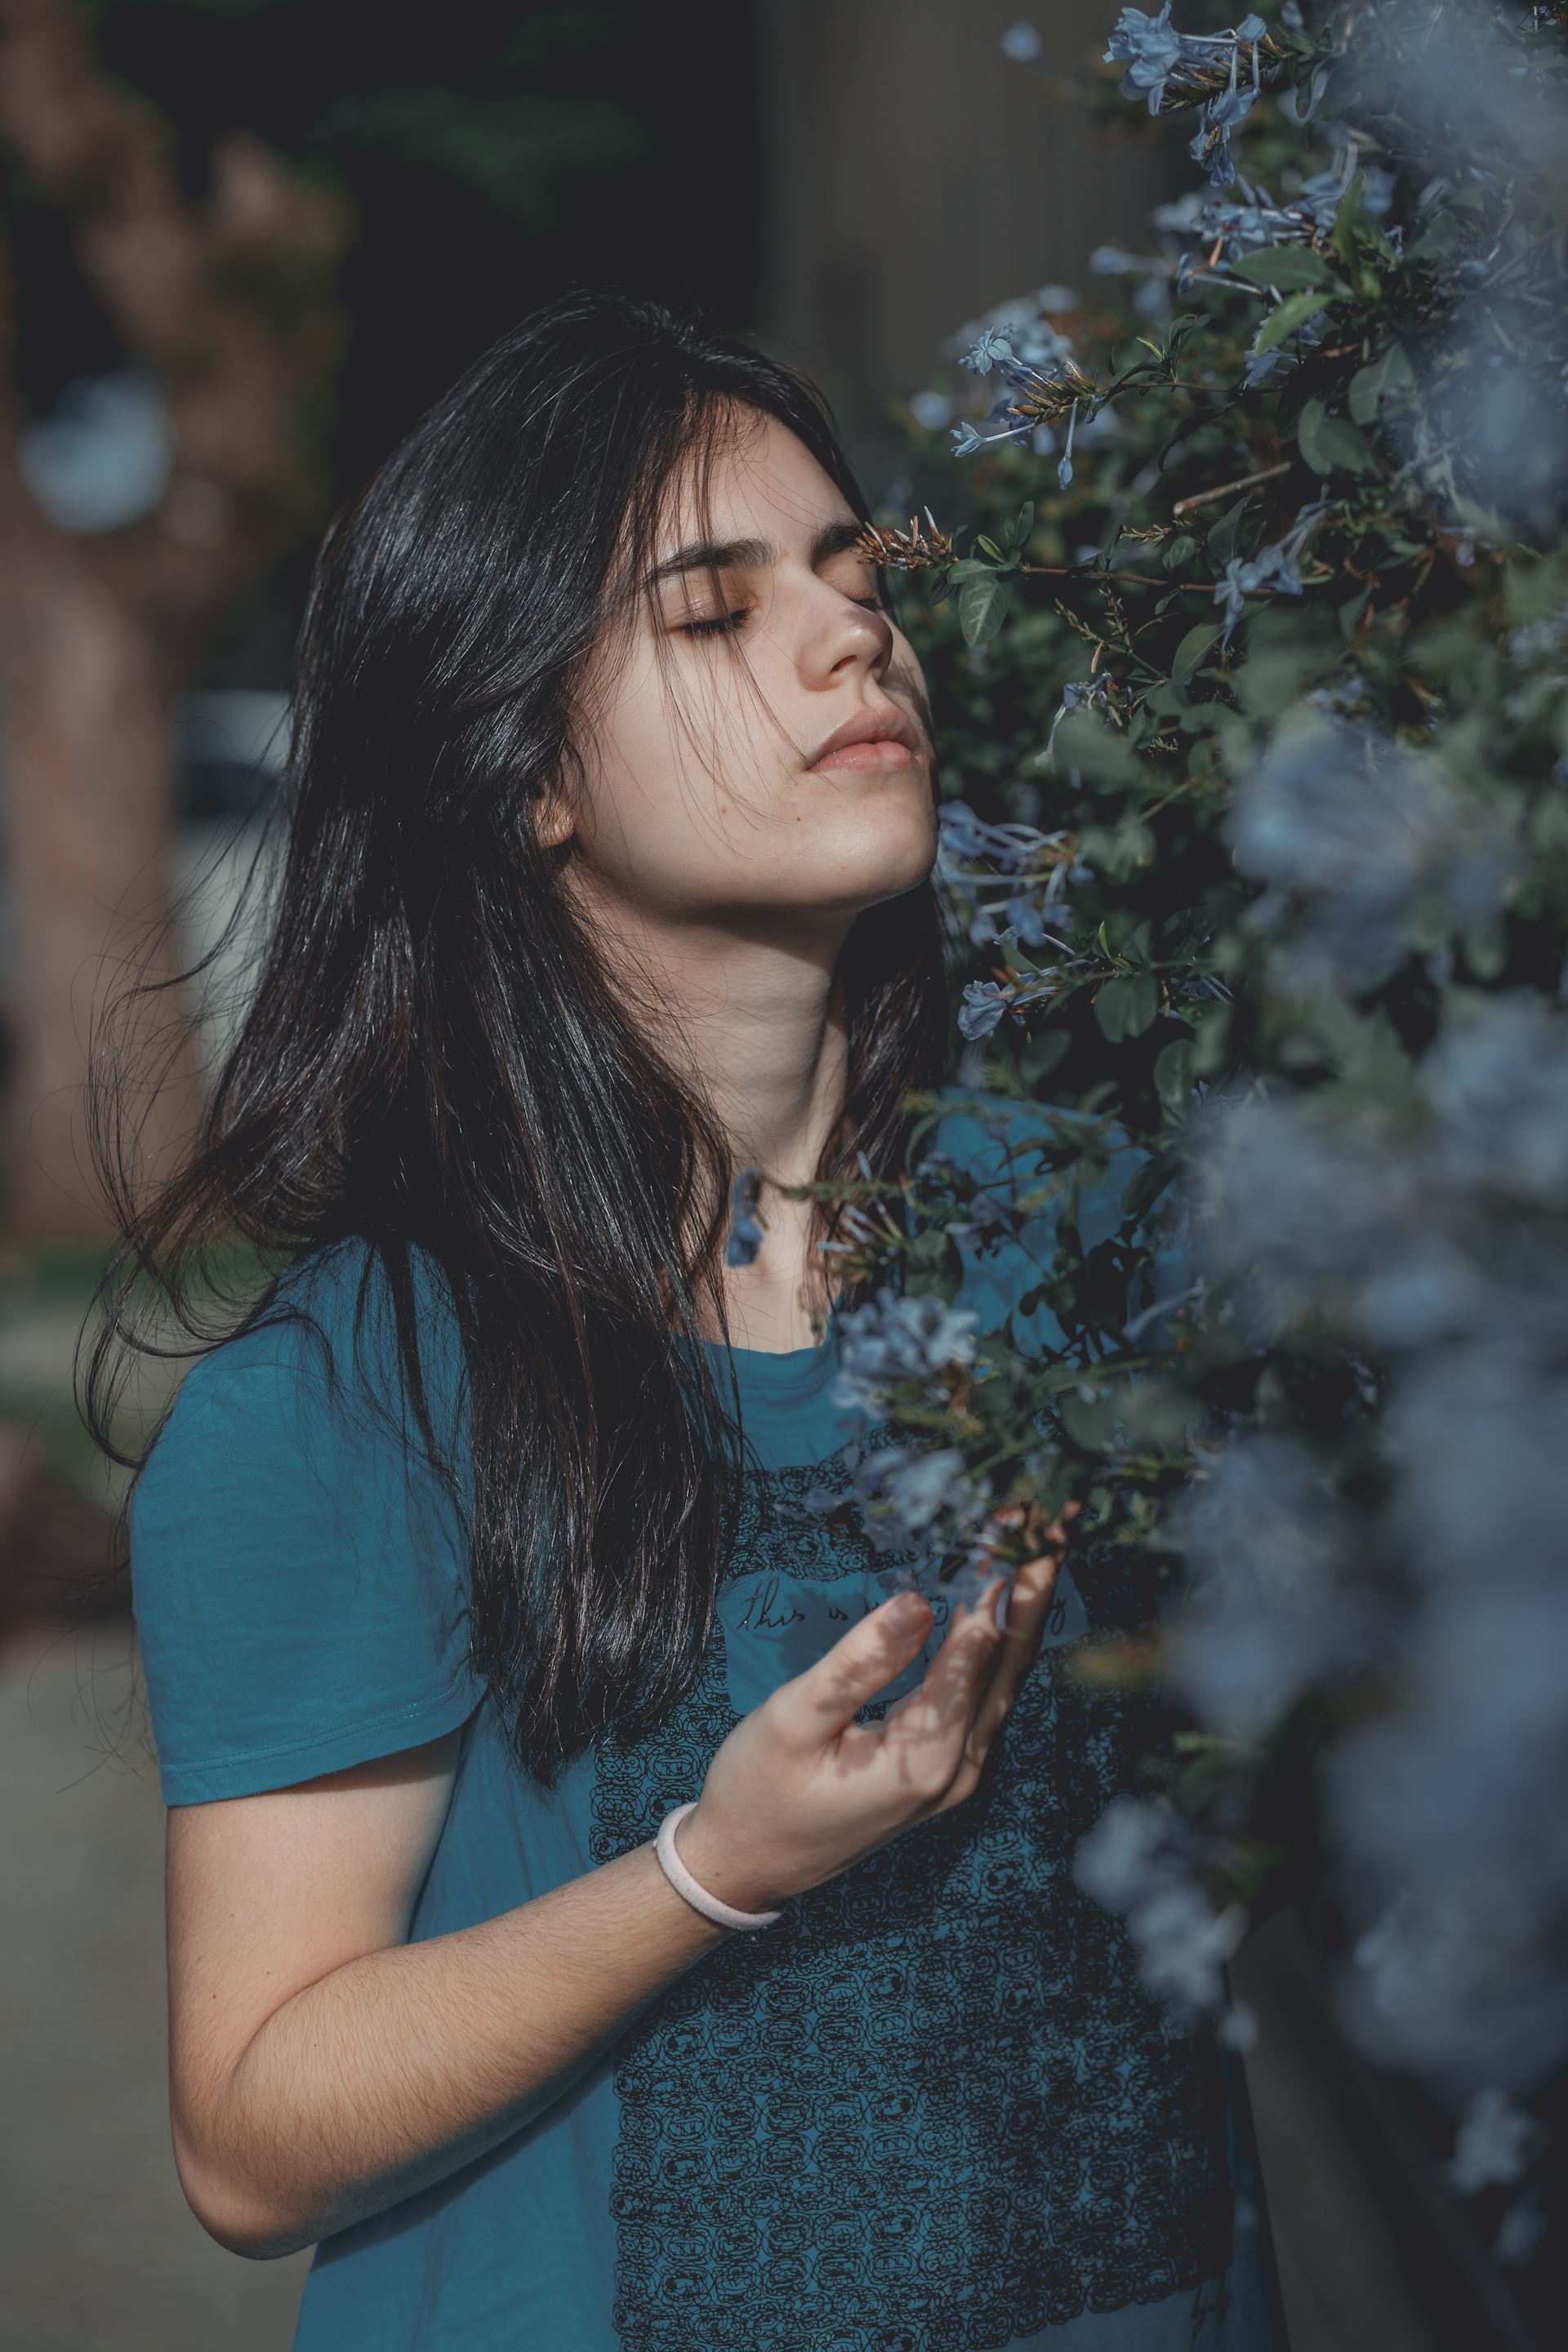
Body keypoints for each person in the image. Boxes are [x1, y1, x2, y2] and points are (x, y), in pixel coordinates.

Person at [105, 289, 1285, 2350]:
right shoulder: (348, 1399)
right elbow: (252, 2133)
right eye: (716, 612)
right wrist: (713, 1868)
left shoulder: (1107, 1258)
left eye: (854, 576)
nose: (856, 637)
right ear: (528, 772)